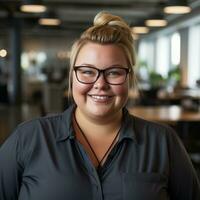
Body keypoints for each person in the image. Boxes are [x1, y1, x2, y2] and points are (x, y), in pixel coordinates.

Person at [0, 11, 200, 200]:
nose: (100, 84)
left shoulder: (163, 143)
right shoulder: (28, 139)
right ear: (72, 77)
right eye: (87, 71)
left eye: (113, 72)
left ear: (129, 79)